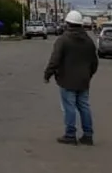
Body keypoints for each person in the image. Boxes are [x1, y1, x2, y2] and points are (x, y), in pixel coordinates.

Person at [44, 10, 100, 145]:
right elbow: (94, 62)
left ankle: (70, 135)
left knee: (69, 108)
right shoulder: (88, 41)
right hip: (83, 80)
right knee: (84, 107)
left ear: (68, 24)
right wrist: (88, 74)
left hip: (67, 80)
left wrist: (48, 74)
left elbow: (55, 60)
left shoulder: (63, 40)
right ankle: (88, 135)